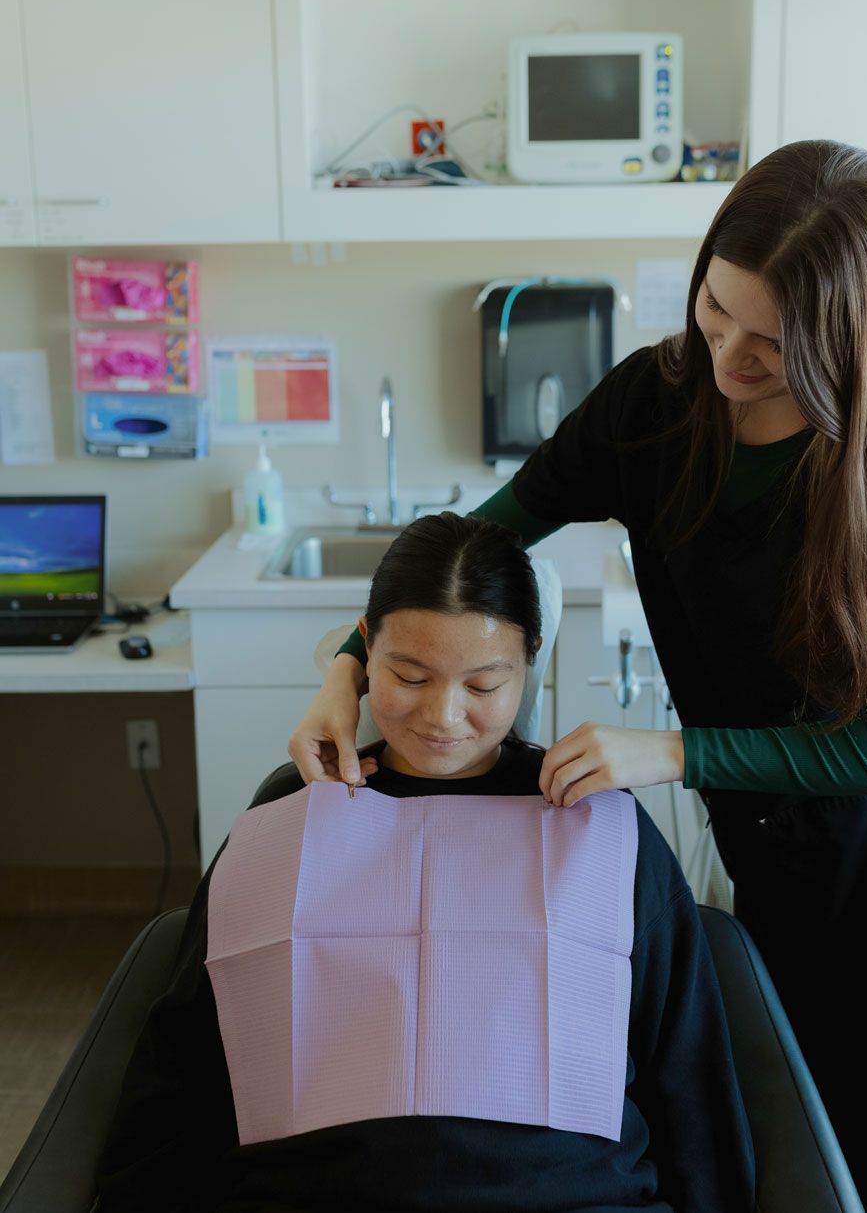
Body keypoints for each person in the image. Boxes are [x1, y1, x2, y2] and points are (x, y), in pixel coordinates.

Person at [289, 139, 867, 1213]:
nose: (729, 357)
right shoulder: (653, 405)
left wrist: (668, 751)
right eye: (718, 308)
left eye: (775, 343)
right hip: (773, 862)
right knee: (786, 1149)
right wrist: (352, 664)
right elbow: (480, 544)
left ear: (851, 343)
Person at [97, 513, 755, 1213]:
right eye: (409, 675)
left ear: (530, 658)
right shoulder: (289, 820)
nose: (443, 717)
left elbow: (688, 1078)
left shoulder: (599, 827)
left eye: (482, 686)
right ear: (363, 652)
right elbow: (182, 1076)